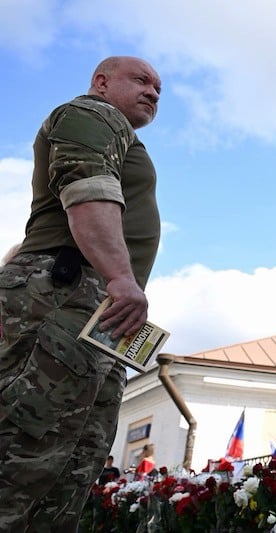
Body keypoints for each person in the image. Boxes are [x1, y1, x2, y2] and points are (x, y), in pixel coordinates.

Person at [0, 56, 162, 530]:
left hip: (92, 309)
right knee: (22, 455)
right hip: (68, 295)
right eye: (141, 80)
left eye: (158, 88)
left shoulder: (121, 135)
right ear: (101, 82)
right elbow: (87, 187)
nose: (153, 91)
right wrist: (119, 277)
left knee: (68, 466)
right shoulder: (93, 114)